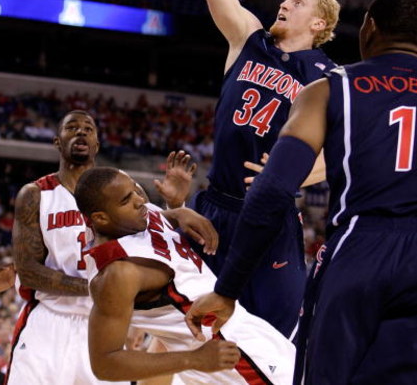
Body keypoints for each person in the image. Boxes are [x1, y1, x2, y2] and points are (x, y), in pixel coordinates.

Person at [124, 0, 340, 338]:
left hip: (271, 214)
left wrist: (290, 175)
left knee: (274, 338)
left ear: (318, 22)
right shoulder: (247, 37)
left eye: (296, 2)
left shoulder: (326, 76)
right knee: (183, 328)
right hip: (214, 206)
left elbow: (340, 153)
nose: (284, 3)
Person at [185, 0, 417, 384]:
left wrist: (227, 289)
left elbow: (273, 190)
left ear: (370, 28)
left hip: (360, 247)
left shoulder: (331, 86)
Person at [7, 109, 214, 385]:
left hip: (104, 325)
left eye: (88, 129)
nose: (81, 132)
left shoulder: (121, 186)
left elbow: (148, 231)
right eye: (72, 127)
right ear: (57, 141)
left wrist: (176, 209)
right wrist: (103, 289)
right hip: (49, 324)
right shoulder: (35, 194)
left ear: (97, 145)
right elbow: (29, 272)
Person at [74, 165, 296, 384]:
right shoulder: (116, 273)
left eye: (136, 189)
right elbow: (104, 364)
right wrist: (193, 359)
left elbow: (157, 224)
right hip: (226, 355)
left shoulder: (132, 219)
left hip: (244, 327)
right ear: (101, 218)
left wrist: (178, 209)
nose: (140, 200)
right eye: (126, 199)